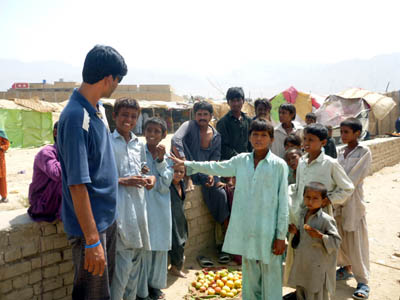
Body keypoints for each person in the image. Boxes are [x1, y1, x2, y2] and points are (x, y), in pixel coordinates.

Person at [171, 119, 289, 300]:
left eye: (264, 135)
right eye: (255, 135)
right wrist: (187, 164)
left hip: (269, 230)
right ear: (249, 137)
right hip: (248, 228)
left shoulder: (279, 165)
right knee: (250, 273)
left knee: (271, 273)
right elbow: (216, 166)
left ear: (271, 139)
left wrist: (281, 236)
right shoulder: (241, 161)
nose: (259, 139)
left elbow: (283, 203)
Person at [57, 45, 127, 300]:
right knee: (92, 296)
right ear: (108, 78)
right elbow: (77, 185)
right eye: (117, 80)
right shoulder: (76, 117)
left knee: (101, 295)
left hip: (104, 222)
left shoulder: (95, 111)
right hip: (92, 229)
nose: (116, 86)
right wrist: (92, 240)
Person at [284, 123, 354, 287]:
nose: (306, 143)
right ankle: (300, 291)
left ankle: (318, 293)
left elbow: (347, 188)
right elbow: (299, 187)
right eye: (305, 139)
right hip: (301, 214)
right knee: (299, 254)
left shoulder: (330, 164)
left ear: (323, 142)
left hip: (321, 216)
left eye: (312, 140)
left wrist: (328, 199)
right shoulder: (301, 162)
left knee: (318, 254)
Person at [109, 98, 156, 300]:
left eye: (133, 116)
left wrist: (149, 178)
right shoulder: (108, 143)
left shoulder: (138, 144)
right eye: (124, 115)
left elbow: (144, 168)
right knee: (122, 267)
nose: (128, 120)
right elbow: (99, 179)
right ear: (115, 117)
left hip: (139, 211)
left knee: (136, 263)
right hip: (121, 211)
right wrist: (122, 180)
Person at [171, 101, 229, 262]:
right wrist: (184, 161)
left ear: (211, 116)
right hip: (186, 168)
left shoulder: (216, 135)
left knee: (220, 195)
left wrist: (211, 174)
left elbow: (215, 157)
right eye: (199, 114)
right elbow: (176, 140)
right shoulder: (189, 126)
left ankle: (223, 243)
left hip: (206, 171)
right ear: (194, 115)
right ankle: (188, 177)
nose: (202, 117)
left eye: (205, 114)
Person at [336, 118, 372, 300]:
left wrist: (337, 194)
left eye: (346, 132)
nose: (342, 135)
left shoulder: (364, 152)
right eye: (341, 132)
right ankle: (346, 268)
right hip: (338, 203)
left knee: (356, 242)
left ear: (357, 133)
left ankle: (363, 281)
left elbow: (353, 179)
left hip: (353, 202)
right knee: (340, 238)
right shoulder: (340, 152)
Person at [288, 182, 341, 300]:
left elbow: (336, 241)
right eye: (307, 197)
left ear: (323, 201)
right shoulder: (302, 214)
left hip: (317, 266)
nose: (310, 202)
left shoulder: (326, 220)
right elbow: (301, 238)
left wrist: (321, 236)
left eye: (315, 198)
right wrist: (296, 233)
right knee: (301, 290)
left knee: (316, 292)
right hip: (303, 263)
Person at [143, 117, 173, 300]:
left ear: (163, 135)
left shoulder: (167, 158)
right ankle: (142, 289)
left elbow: (164, 185)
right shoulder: (138, 152)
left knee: (159, 249)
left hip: (160, 210)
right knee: (145, 250)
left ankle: (155, 287)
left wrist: (161, 161)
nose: (152, 134)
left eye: (157, 131)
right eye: (149, 130)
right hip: (143, 207)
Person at [28, 121, 62, 222]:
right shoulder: (46, 153)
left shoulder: (64, 153)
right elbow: (57, 174)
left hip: (52, 201)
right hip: (41, 203)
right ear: (56, 133)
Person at [216, 87, 252, 161]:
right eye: (232, 101)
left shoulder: (248, 121)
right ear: (228, 102)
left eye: (238, 100)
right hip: (230, 164)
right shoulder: (223, 123)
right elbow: (223, 146)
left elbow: (251, 143)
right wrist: (239, 158)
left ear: (243, 101)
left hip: (247, 162)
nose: (236, 104)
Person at [168, 164, 188, 278]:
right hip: (171, 218)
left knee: (182, 240)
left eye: (181, 172)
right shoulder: (168, 186)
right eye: (176, 171)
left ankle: (176, 267)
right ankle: (175, 268)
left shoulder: (182, 184)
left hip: (180, 217)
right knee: (176, 243)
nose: (178, 174)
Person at [0, 130, 10, 203]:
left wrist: (1, 147)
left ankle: (4, 197)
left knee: (2, 179)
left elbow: (7, 144)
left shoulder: (1, 132)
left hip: (0, 160)